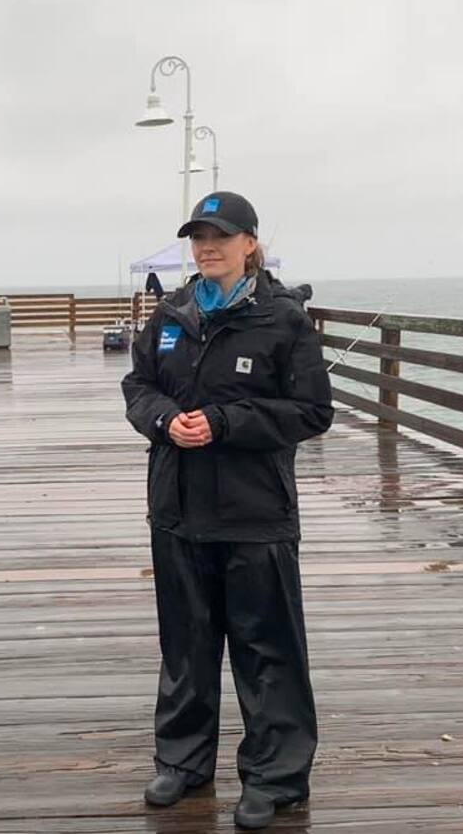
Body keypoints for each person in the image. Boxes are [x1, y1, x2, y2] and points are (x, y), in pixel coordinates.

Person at [121, 192, 334, 829]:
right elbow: (139, 388)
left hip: (255, 515)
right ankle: (183, 763)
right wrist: (165, 422)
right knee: (185, 646)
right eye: (198, 237)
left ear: (249, 243)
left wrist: (224, 421)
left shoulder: (284, 319)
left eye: (220, 236)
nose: (207, 247)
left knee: (266, 648)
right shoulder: (171, 312)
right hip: (178, 509)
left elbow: (311, 413)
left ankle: (276, 777)